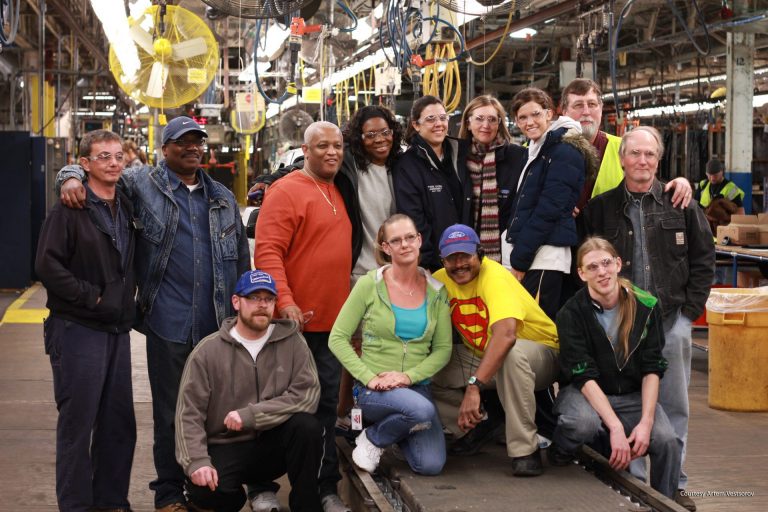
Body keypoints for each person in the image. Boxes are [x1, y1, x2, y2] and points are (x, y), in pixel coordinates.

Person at [56, 116, 250, 512]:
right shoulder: (141, 183)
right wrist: (69, 178)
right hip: (168, 320)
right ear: (165, 150)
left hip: (216, 324)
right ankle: (167, 492)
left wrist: (243, 313)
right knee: (169, 414)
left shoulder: (223, 198)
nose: (192, 148)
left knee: (215, 412)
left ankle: (204, 489)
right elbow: (97, 170)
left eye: (198, 141)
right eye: (182, 142)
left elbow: (242, 264)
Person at [582, 126, 714, 512]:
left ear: (659, 160)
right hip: (618, 323)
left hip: (671, 322)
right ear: (622, 159)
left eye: (650, 155)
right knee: (629, 402)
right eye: (635, 154)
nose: (642, 161)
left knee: (674, 407)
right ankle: (634, 483)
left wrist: (689, 315)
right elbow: (586, 263)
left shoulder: (682, 204)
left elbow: (704, 261)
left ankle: (674, 483)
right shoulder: (600, 209)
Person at [36, 130, 137, 511]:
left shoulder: (126, 203)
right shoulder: (70, 207)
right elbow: (47, 264)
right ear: (84, 164)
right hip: (77, 329)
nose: (113, 163)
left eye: (117, 156)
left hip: (116, 330)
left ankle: (111, 502)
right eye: (103, 157)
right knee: (78, 426)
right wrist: (90, 296)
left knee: (117, 424)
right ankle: (76, 506)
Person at [254, 121, 352, 512]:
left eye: (338, 146)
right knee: (277, 406)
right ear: (305, 151)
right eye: (323, 146)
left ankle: (321, 488)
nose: (332, 152)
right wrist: (284, 302)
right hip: (291, 325)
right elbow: (268, 253)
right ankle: (261, 486)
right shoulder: (286, 191)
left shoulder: (340, 189)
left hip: (331, 325)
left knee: (326, 408)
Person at [175, 269, 323, 512]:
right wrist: (197, 462)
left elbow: (307, 395)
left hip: (274, 445)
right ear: (236, 302)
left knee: (307, 427)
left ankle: (307, 506)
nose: (262, 305)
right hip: (226, 445)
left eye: (268, 299)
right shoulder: (207, 351)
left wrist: (251, 415)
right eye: (253, 298)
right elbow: (188, 415)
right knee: (203, 490)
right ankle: (231, 500)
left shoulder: (293, 342)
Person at [550, 237, 681, 499]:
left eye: (606, 263)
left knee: (666, 440)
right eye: (593, 267)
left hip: (631, 395)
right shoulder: (571, 313)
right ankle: (561, 451)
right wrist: (617, 428)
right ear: (581, 273)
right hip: (584, 392)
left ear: (618, 264)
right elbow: (583, 376)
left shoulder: (647, 306)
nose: (602, 272)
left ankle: (665, 500)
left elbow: (652, 368)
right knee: (582, 424)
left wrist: (645, 422)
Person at [431, 224, 560, 477]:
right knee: (426, 368)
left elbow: (506, 336)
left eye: (465, 256)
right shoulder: (438, 281)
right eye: (451, 258)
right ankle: (478, 424)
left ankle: (525, 450)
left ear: (479, 253)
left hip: (540, 354)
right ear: (442, 260)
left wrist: (473, 386)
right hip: (484, 357)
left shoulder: (495, 276)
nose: (459, 264)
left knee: (511, 355)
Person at [329, 214, 452, 475]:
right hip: (373, 391)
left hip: (416, 388)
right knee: (421, 411)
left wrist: (408, 377)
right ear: (386, 248)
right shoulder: (368, 285)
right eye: (396, 240)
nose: (405, 244)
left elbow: (443, 349)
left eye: (410, 237)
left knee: (430, 464)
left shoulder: (437, 291)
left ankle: (385, 435)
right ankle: (375, 438)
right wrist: (367, 378)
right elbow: (337, 337)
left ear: (419, 240)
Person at [505, 87, 594, 320]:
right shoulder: (536, 149)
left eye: (535, 114)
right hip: (535, 253)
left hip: (545, 256)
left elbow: (549, 210)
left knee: (538, 328)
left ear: (549, 114)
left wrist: (520, 258)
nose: (529, 122)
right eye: (522, 117)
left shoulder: (563, 150)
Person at [559, 78, 692, 212]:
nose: (586, 112)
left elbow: (648, 187)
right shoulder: (548, 151)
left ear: (601, 108)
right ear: (564, 111)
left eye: (592, 104)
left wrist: (677, 185)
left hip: (613, 231)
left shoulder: (623, 148)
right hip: (560, 231)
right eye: (578, 105)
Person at [393, 95, 471, 271]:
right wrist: (427, 260)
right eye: (430, 119)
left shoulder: (460, 154)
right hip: (435, 261)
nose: (439, 124)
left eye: (443, 118)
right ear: (416, 125)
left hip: (466, 254)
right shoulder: (407, 165)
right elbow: (413, 217)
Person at [457, 95, 525, 263]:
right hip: (462, 248)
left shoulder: (518, 156)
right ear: (468, 122)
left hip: (506, 251)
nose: (485, 125)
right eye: (479, 119)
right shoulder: (457, 158)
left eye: (492, 120)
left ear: (499, 124)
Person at [695, 158, 746, 232]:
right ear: (706, 173)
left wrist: (723, 218)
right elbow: (695, 206)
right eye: (709, 175)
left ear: (721, 172)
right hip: (704, 229)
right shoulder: (703, 185)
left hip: (723, 231)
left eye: (715, 175)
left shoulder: (731, 189)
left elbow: (741, 214)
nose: (712, 178)